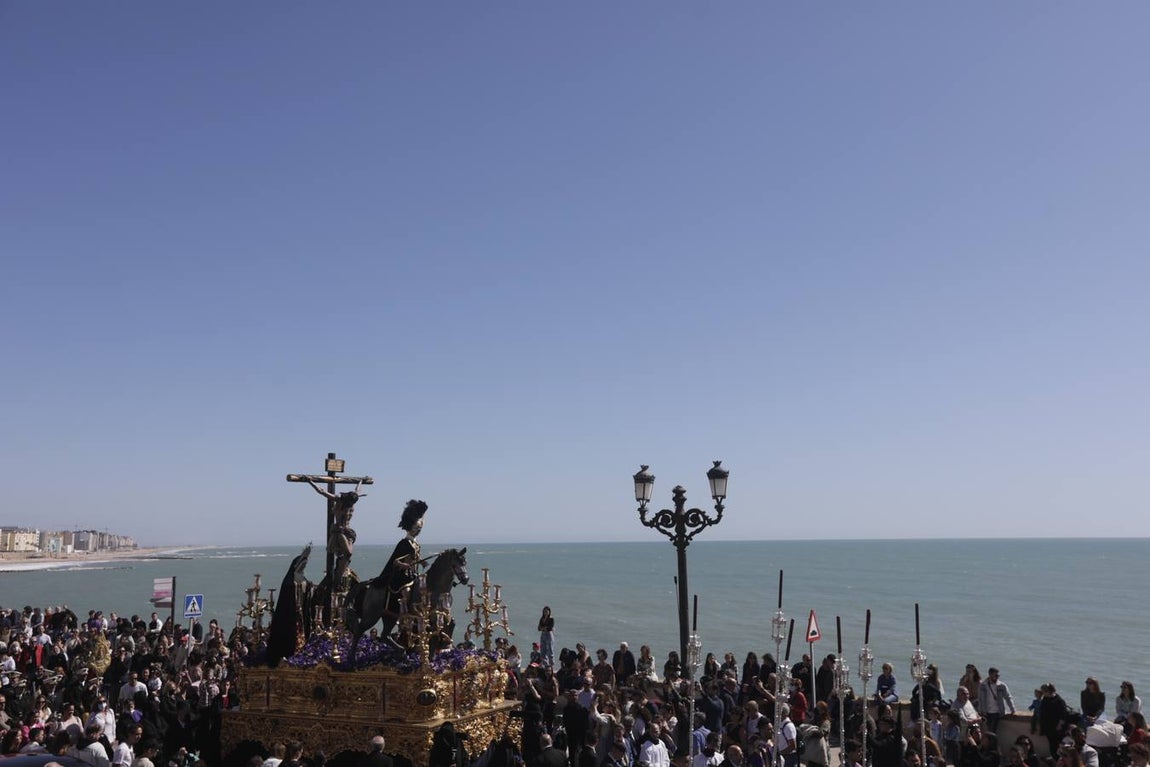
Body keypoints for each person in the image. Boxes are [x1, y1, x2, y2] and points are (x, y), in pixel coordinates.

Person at [305, 478, 365, 588]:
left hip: (349, 532)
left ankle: (338, 580)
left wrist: (361, 481)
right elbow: (322, 491)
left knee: (346, 558)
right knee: (348, 553)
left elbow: (358, 490)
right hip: (339, 530)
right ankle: (336, 581)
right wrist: (310, 481)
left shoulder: (353, 499)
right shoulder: (339, 501)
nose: (352, 505)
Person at [977, 669, 1016, 735]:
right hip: (986, 712)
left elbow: (1008, 697)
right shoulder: (983, 685)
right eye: (996, 675)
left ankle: (991, 743)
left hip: (996, 712)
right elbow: (980, 698)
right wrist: (980, 711)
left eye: (998, 675)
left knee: (992, 730)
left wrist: (1012, 709)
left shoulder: (1001, 685)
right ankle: (990, 743)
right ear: (990, 674)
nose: (997, 677)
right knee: (989, 730)